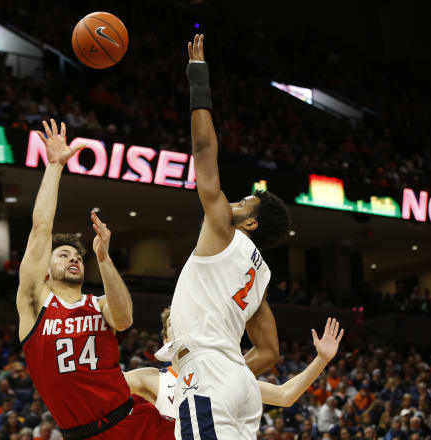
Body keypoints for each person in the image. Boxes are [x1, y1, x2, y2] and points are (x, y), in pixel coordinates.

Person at [156, 34, 292, 439]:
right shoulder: (260, 274)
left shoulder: (221, 228)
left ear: (250, 223)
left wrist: (198, 76)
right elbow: (269, 352)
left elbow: (202, 149)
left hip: (209, 376)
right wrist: (232, 370)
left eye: (247, 201)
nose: (238, 200)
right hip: (236, 383)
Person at [17, 119, 174, 439]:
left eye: (77, 256)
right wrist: (55, 166)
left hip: (133, 423)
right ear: (45, 272)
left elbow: (125, 317)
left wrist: (103, 258)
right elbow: (40, 228)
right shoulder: (35, 303)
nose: (73, 258)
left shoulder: (98, 304)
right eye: (62, 255)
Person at [125, 307, 344, 420]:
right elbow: (97, 385)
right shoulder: (150, 378)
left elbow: (284, 395)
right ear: (166, 340)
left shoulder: (223, 376)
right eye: (174, 322)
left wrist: (322, 358)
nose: (181, 323)